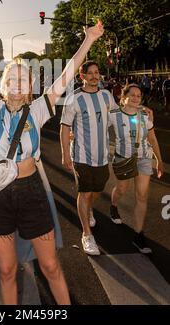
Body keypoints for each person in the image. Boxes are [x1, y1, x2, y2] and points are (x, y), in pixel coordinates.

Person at [0, 17, 104, 305]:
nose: (17, 85)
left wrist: (89, 40)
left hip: (32, 193)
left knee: (51, 266)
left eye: (23, 79)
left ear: (30, 85)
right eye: (11, 80)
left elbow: (67, 74)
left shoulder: (40, 109)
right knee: (6, 271)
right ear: (3, 85)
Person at [60, 61, 118, 256]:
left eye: (96, 72)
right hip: (81, 156)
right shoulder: (74, 98)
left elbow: (118, 116)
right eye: (90, 73)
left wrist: (141, 114)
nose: (94, 76)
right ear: (82, 76)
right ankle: (87, 235)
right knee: (85, 193)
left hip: (102, 156)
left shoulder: (106, 95)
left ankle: (89, 209)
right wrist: (65, 154)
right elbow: (65, 127)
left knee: (97, 190)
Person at [109, 84, 164, 254]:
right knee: (121, 189)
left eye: (138, 96)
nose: (135, 98)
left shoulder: (145, 116)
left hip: (143, 159)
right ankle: (113, 206)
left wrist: (159, 161)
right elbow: (96, 128)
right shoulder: (113, 115)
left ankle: (138, 235)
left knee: (142, 196)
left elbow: (153, 139)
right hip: (123, 158)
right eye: (132, 95)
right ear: (123, 97)